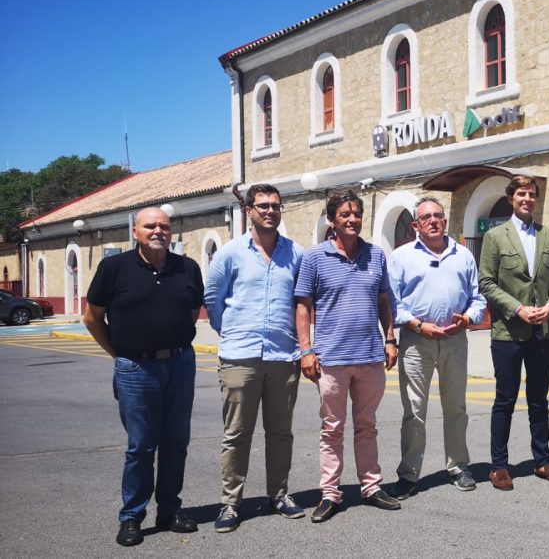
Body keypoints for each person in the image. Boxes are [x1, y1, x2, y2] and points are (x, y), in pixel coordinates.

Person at [84, 207, 204, 547]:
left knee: (176, 443)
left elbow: (192, 312)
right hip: (136, 369)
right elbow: (92, 318)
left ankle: (169, 510)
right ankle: (132, 516)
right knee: (140, 447)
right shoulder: (113, 268)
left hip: (180, 365)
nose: (158, 231)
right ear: (135, 231)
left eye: (164, 226)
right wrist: (120, 353)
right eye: (150, 226)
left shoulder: (188, 268)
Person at [204, 184, 306, 533]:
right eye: (262, 205)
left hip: (283, 356)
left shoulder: (296, 254)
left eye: (276, 205)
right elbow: (213, 300)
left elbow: (303, 304)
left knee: (280, 432)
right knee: (237, 434)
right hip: (239, 358)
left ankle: (278, 495)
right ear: (248, 210)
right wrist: (232, 332)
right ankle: (231, 503)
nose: (270, 211)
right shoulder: (230, 253)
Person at [294, 188, 400, 522]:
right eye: (345, 215)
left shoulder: (376, 255)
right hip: (332, 360)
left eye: (357, 214)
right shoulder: (314, 258)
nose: (353, 219)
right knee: (332, 429)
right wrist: (306, 350)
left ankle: (371, 487)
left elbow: (385, 300)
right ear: (332, 220)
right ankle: (330, 493)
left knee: (367, 425)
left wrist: (391, 338)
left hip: (369, 357)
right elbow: (302, 307)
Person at [386, 197, 486, 499]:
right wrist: (417, 324)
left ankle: (458, 466)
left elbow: (477, 298)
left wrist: (468, 319)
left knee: (456, 408)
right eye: (426, 217)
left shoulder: (463, 255)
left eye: (438, 216)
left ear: (444, 220)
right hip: (417, 341)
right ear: (416, 225)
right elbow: (393, 302)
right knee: (414, 412)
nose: (433, 221)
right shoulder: (402, 257)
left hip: (455, 340)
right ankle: (409, 473)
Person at [479, 175, 549, 490]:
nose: (527, 199)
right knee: (505, 399)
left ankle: (542, 461)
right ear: (510, 198)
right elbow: (486, 282)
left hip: (543, 331)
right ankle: (499, 466)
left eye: (531, 194)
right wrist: (517, 308)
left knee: (539, 400)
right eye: (521, 194)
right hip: (508, 332)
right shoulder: (495, 237)